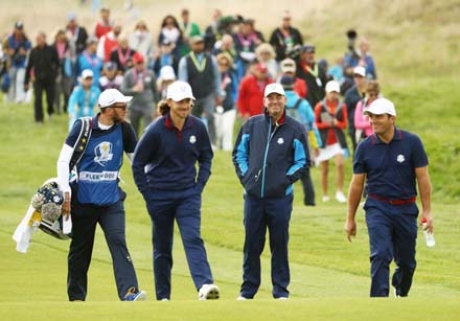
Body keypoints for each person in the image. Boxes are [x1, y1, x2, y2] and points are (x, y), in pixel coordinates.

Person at [131, 80, 220, 301]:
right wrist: (148, 196)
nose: (184, 106)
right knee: (162, 248)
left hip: (187, 194)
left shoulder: (198, 127)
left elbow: (206, 157)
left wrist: (199, 186)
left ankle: (205, 285)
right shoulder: (156, 130)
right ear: (169, 102)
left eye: (187, 102)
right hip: (159, 195)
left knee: (193, 238)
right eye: (180, 102)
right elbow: (137, 163)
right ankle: (163, 298)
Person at [57, 88, 146, 301]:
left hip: (111, 200)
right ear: (107, 109)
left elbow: (139, 163)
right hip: (83, 200)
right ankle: (76, 298)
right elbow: (63, 161)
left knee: (118, 241)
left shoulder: (125, 130)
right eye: (121, 106)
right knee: (81, 250)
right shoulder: (83, 127)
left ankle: (129, 293)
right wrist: (65, 190)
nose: (125, 110)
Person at [345, 97, 433, 297]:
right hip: (378, 207)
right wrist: (350, 218)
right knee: (381, 255)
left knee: (407, 263)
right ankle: (379, 304)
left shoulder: (412, 143)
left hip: (406, 208)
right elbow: (357, 184)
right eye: (370, 117)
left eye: (378, 117)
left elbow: (423, 178)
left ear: (392, 118)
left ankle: (400, 291)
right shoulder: (364, 147)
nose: (373, 121)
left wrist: (427, 211)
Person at [232, 83, 309, 299]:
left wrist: (284, 181)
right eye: (270, 98)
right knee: (252, 245)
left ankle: (280, 290)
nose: (274, 102)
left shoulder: (295, 128)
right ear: (264, 101)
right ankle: (248, 291)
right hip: (254, 198)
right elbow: (239, 155)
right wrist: (248, 180)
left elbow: (302, 161)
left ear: (285, 100)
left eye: (278, 98)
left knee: (279, 245)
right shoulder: (251, 125)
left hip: (280, 199)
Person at [280, 75, 321, 206]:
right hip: (302, 142)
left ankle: (281, 200)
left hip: (282, 141)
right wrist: (316, 145)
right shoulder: (303, 103)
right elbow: (312, 126)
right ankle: (309, 202)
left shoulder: (278, 104)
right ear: (294, 85)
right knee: (305, 175)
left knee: (281, 173)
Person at [178, 35, 223, 146]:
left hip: (208, 93)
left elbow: (216, 77)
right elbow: (183, 80)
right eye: (196, 43)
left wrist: (219, 93)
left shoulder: (211, 59)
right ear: (191, 45)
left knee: (210, 115)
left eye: (201, 43)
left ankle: (213, 142)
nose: (199, 45)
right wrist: (185, 96)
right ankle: (194, 141)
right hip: (193, 95)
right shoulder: (185, 60)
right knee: (193, 119)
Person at [314, 80, 348, 203]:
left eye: (336, 92)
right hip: (324, 141)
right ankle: (325, 194)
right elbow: (315, 124)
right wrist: (327, 124)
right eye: (331, 92)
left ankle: (339, 192)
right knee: (324, 169)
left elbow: (344, 124)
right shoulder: (320, 106)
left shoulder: (342, 106)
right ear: (326, 92)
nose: (334, 95)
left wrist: (336, 123)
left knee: (340, 164)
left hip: (337, 141)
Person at [24, 31, 59, 123]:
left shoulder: (51, 49)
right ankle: (39, 119)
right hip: (38, 79)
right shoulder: (33, 51)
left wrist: (55, 74)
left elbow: (57, 63)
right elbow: (29, 67)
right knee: (38, 98)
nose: (38, 41)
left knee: (50, 98)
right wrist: (26, 81)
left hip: (50, 79)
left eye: (40, 39)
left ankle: (50, 111)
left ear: (44, 39)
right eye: (37, 39)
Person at [120, 52, 157, 137]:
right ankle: (134, 148)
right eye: (138, 63)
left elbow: (155, 90)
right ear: (134, 63)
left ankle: (147, 146)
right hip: (134, 105)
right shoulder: (129, 74)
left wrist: (156, 105)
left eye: (141, 63)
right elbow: (123, 90)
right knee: (133, 129)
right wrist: (133, 89)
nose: (140, 65)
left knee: (148, 129)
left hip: (148, 105)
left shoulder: (150, 74)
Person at [214, 52, 238, 151]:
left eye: (225, 64)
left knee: (227, 130)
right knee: (217, 132)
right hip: (215, 107)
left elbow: (235, 90)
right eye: (221, 64)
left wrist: (234, 101)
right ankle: (216, 149)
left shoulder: (231, 76)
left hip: (229, 107)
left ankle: (227, 149)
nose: (223, 66)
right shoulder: (212, 76)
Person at [5, 21, 31, 103]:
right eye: (17, 29)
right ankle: (10, 98)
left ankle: (20, 98)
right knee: (11, 81)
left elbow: (30, 52)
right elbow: (4, 49)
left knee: (20, 80)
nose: (19, 31)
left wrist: (25, 53)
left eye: (20, 29)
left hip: (22, 64)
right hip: (12, 63)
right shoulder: (9, 39)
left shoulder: (26, 41)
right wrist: (9, 51)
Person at [296, 44, 328, 109]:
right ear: (302, 55)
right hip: (307, 104)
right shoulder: (298, 69)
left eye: (312, 53)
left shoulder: (319, 68)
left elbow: (325, 84)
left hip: (321, 104)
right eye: (308, 53)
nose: (311, 55)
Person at [344, 66, 368, 152]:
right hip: (355, 128)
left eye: (360, 77)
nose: (358, 79)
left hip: (370, 127)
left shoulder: (371, 91)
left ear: (365, 77)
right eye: (356, 76)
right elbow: (345, 111)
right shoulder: (349, 94)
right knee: (358, 151)